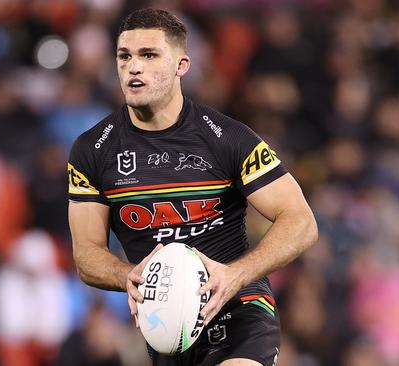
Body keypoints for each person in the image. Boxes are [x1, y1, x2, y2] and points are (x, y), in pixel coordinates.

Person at [67, 8, 318, 366]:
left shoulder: (227, 138)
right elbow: (86, 255)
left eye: (149, 55)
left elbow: (301, 221)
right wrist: (128, 275)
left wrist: (237, 274)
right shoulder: (93, 150)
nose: (133, 67)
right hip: (164, 324)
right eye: (125, 56)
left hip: (239, 307)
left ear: (181, 65)